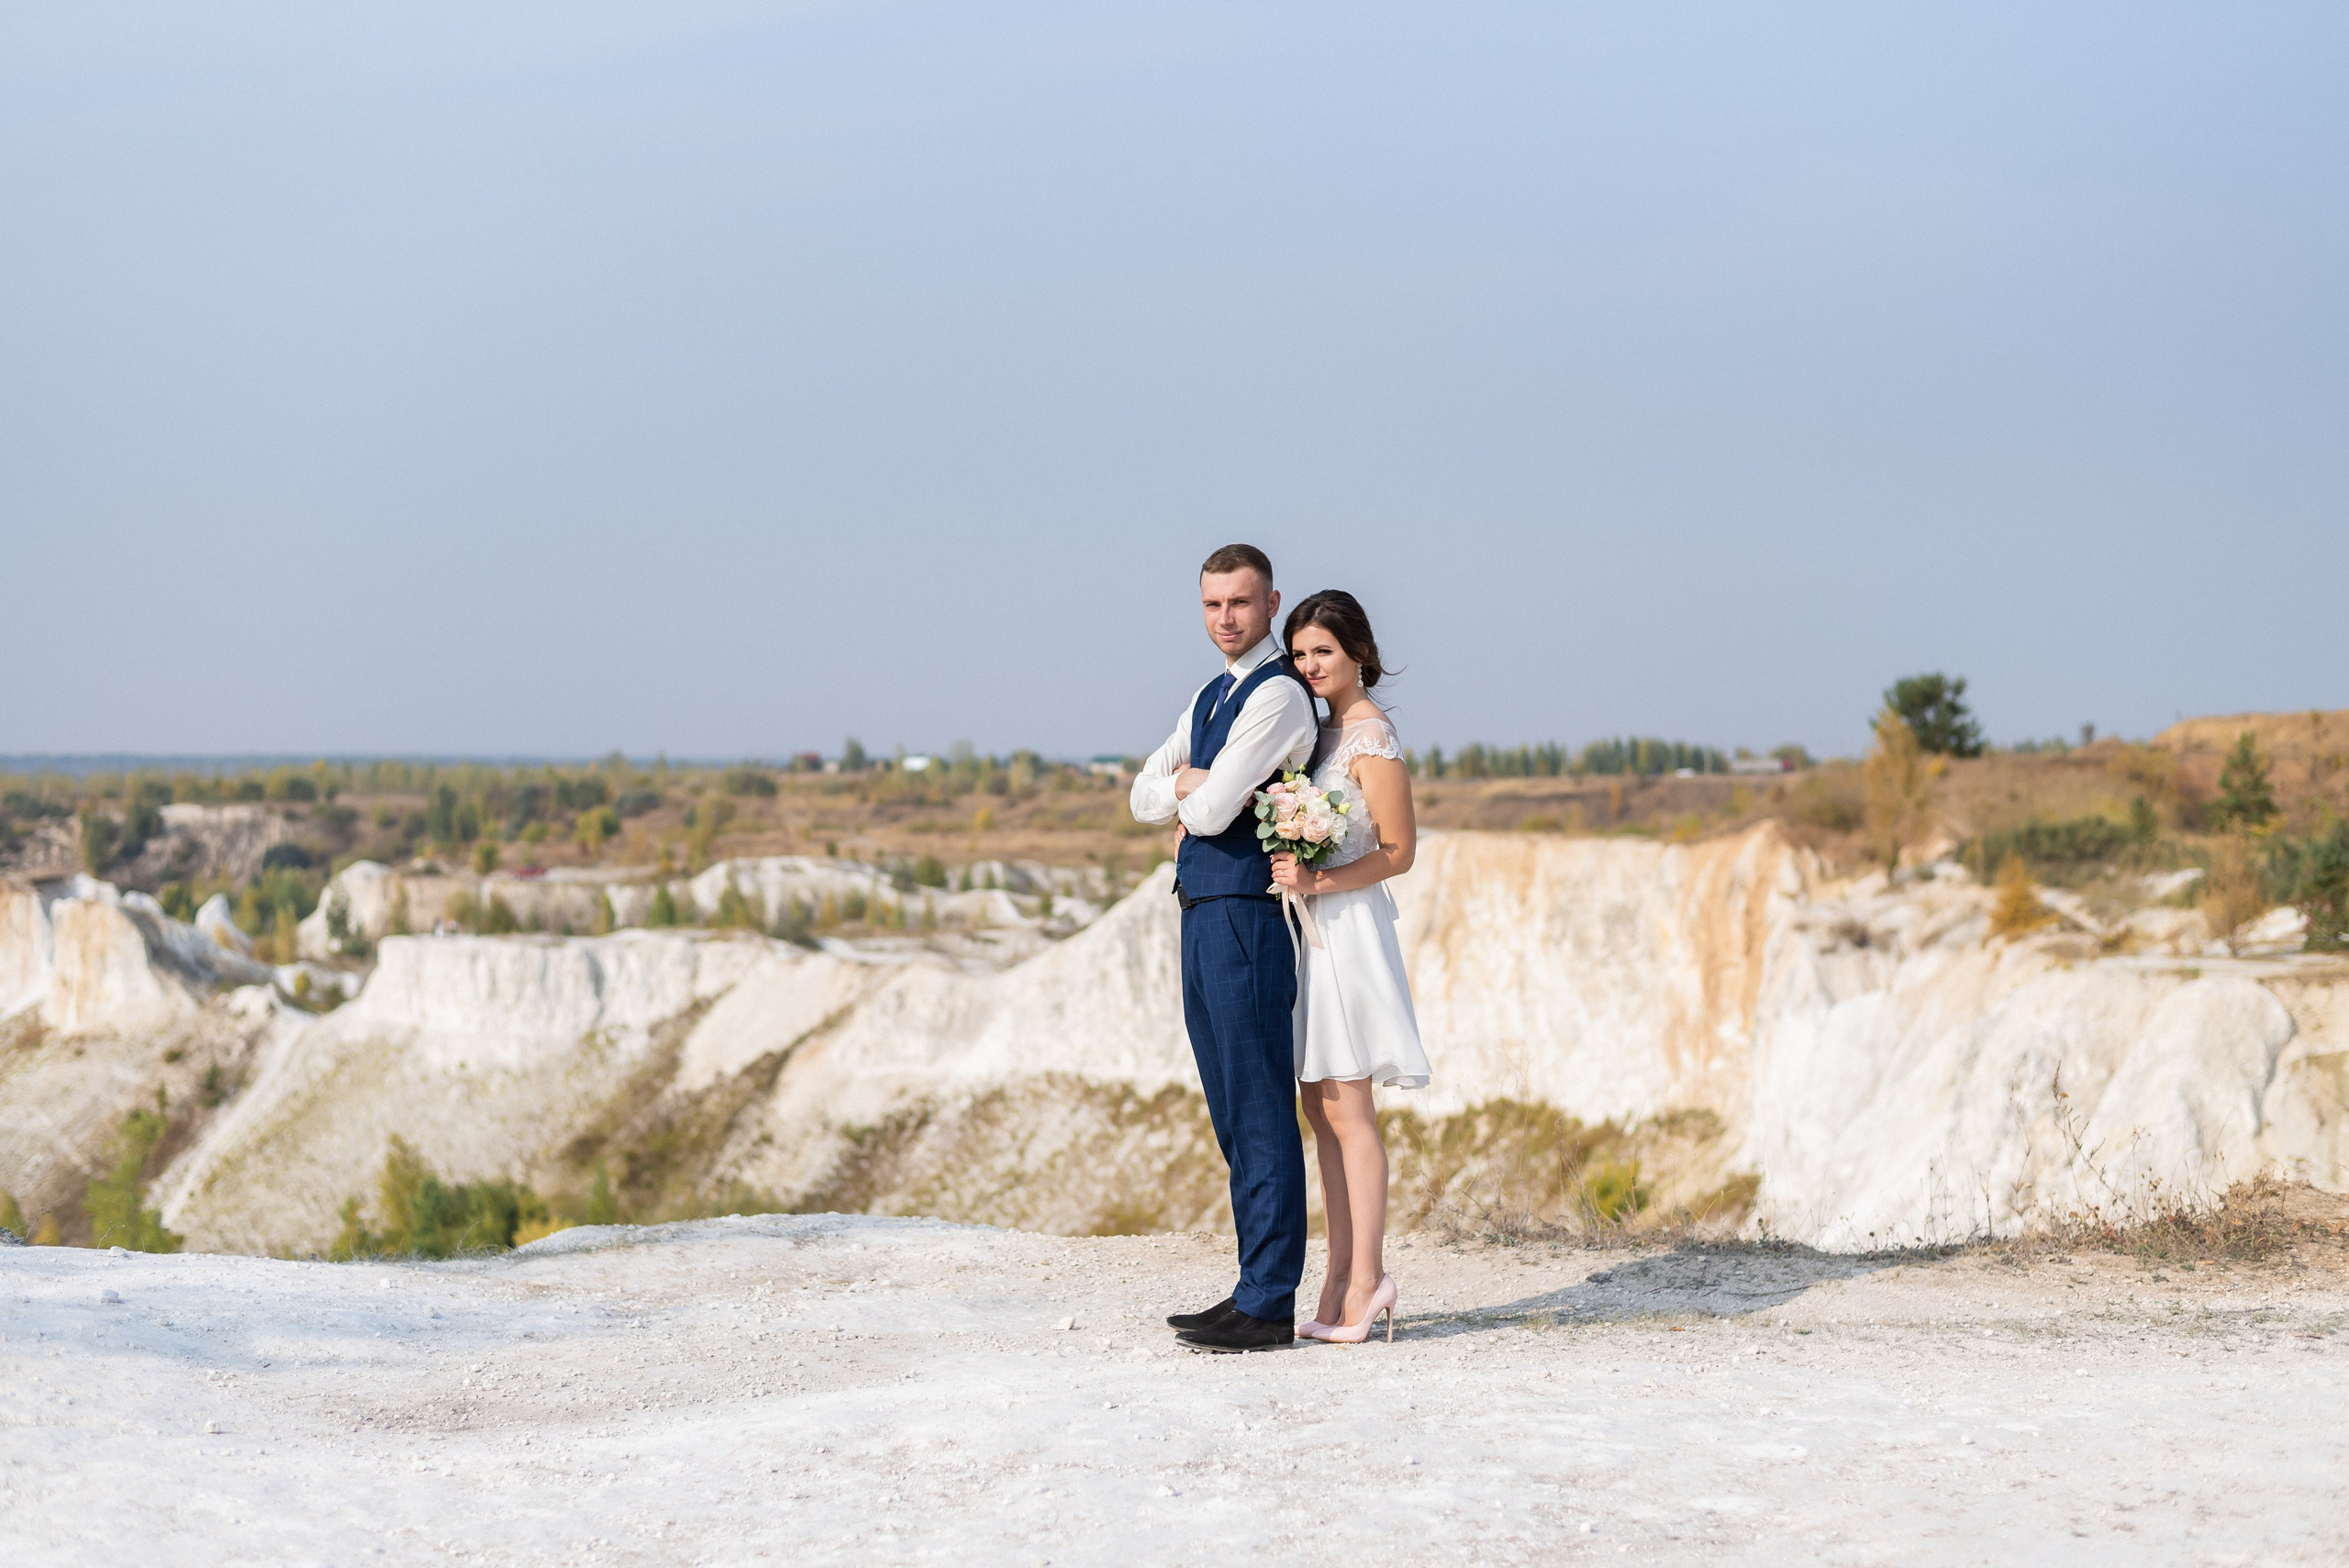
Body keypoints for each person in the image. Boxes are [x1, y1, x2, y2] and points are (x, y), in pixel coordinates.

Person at [1130, 544, 1318, 1353]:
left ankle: (1271, 1301)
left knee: (1261, 1105)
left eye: (1240, 602)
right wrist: (1189, 783)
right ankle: (1252, 1286)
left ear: (1271, 603)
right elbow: (1143, 793)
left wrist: (1190, 790)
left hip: (1247, 914)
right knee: (1232, 1110)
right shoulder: (1211, 694)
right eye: (1212, 604)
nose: (1225, 618)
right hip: (1202, 911)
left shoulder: (1277, 694)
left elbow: (1208, 816)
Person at [1270, 590, 1430, 1344]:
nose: (1309, 665)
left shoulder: (1372, 735)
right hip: (1309, 929)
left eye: (1322, 651)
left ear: (1358, 651)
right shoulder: (1318, 733)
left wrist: (1319, 878)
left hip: (1350, 929)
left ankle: (1368, 1280)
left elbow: (1400, 849)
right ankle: (1335, 1281)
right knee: (1318, 1105)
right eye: (1300, 654)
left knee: (1349, 1109)